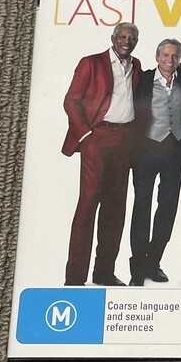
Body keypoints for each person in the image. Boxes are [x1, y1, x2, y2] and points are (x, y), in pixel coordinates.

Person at [62, 22, 142, 286]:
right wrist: (85, 134)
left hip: (125, 140)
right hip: (96, 138)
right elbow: (71, 100)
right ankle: (75, 279)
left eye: (132, 38)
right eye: (122, 36)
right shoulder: (91, 63)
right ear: (113, 38)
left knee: (116, 208)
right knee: (88, 205)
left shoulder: (136, 65)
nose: (127, 41)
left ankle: (104, 272)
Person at [128, 38, 181, 286]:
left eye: (175, 56)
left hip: (175, 150)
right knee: (141, 207)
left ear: (180, 58)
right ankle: (137, 268)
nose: (169, 60)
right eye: (165, 55)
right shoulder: (142, 79)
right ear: (157, 57)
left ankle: (153, 262)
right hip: (145, 149)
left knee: (168, 207)